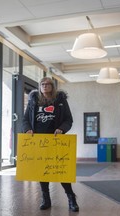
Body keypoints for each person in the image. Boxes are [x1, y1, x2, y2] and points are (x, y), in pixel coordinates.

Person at [22, 77, 79, 212]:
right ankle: (46, 199)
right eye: (42, 84)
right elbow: (25, 119)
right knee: (43, 171)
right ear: (39, 86)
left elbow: (68, 120)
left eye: (48, 84)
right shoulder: (33, 100)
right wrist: (27, 129)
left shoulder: (60, 100)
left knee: (61, 171)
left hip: (56, 141)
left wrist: (62, 129)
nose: (45, 86)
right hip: (38, 142)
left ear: (52, 87)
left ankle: (71, 198)